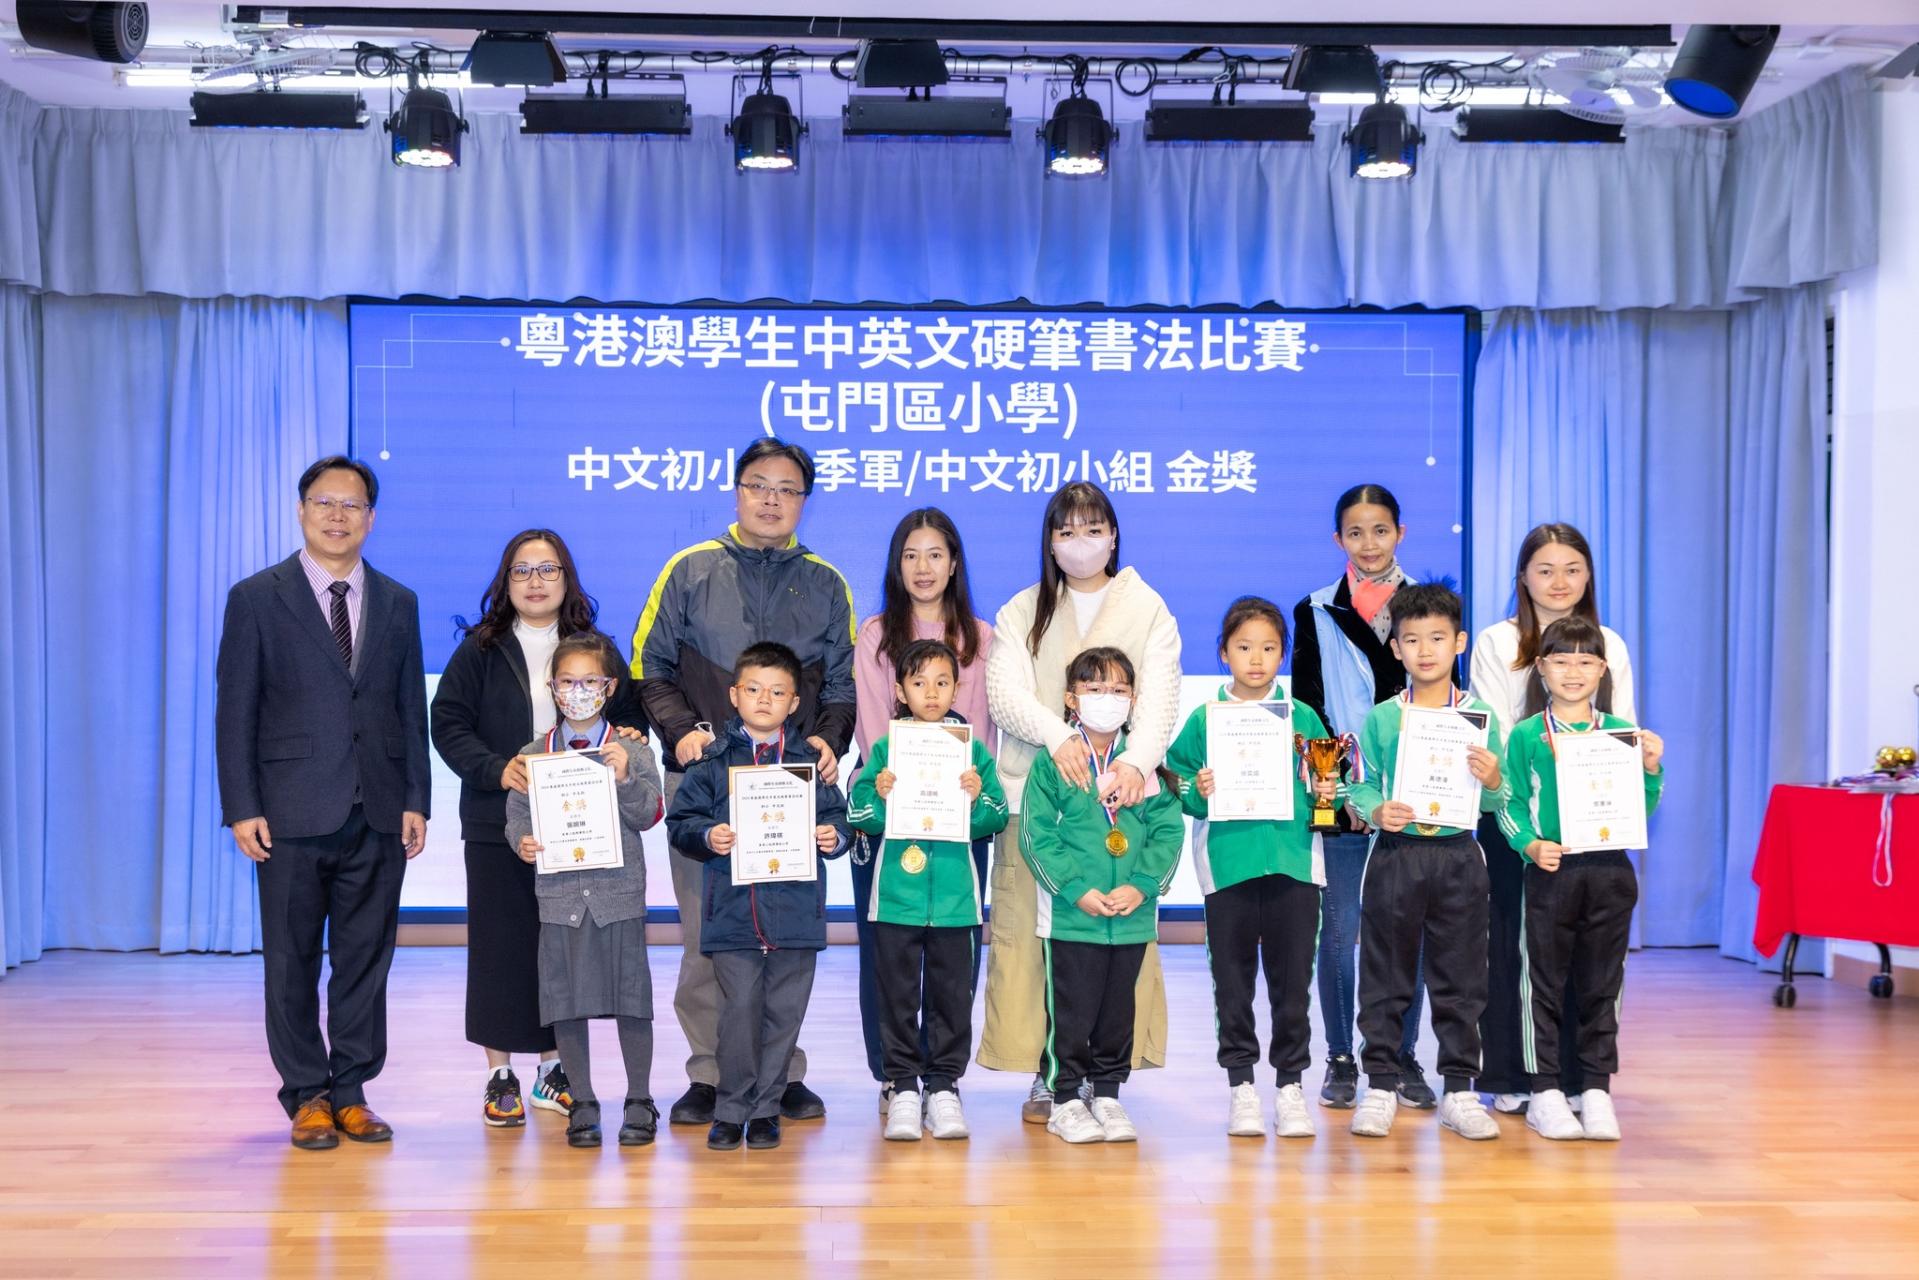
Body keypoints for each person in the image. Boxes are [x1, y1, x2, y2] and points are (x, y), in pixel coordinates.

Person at [631, 438, 856, 1128]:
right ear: (736, 490)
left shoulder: (826, 582)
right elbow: (648, 667)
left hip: (789, 789)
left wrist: (829, 739)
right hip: (707, 786)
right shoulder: (689, 569)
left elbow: (842, 683)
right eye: (758, 484)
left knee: (785, 940)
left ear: (804, 501)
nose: (771, 499)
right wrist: (680, 732)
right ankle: (710, 1074)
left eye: (787, 489)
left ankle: (780, 1076)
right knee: (709, 937)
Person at [215, 455, 429, 1150]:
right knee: (292, 959)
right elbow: (235, 710)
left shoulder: (398, 601)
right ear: (302, 510)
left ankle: (352, 1091)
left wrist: (417, 797)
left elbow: (409, 709)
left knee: (366, 959)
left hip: (378, 808)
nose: (338, 516)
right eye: (324, 503)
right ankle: (307, 1093)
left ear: (371, 517)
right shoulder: (257, 597)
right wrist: (242, 805)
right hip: (288, 812)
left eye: (352, 505)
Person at [430, 529, 650, 1128]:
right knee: (500, 949)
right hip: (500, 822)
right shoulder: (480, 649)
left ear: (566, 578)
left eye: (548, 569)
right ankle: (500, 1074)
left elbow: (629, 716)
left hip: (584, 830)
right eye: (522, 570)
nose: (535, 581)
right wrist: (494, 769)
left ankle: (556, 1070)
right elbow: (447, 723)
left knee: (560, 951)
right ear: (505, 581)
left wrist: (632, 737)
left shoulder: (595, 649)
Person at [980, 483, 1182, 1123]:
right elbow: (1004, 695)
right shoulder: (1023, 609)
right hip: (1037, 802)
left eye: (1092, 529)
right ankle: (1051, 1078)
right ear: (1049, 542)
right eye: (1065, 531)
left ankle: (1105, 1077)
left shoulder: (1148, 608)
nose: (1080, 543)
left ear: (1114, 536)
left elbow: (1161, 700)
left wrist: (1134, 762)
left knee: (1114, 948)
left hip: (1124, 799)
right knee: (1037, 948)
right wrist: (1058, 734)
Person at [1469, 522, 1638, 1115]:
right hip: (1517, 816)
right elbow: (1494, 728)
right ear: (1523, 577)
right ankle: (1515, 1077)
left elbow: (1623, 727)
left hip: (1589, 819)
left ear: (1588, 575)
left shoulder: (1609, 643)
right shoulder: (1496, 641)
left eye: (1572, 569)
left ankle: (1579, 1080)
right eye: (1545, 570)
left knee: (1587, 956)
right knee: (1513, 948)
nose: (1559, 581)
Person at [664, 642, 851, 1152]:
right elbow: (681, 823)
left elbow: (838, 817)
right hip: (732, 914)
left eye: (777, 692)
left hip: (796, 912)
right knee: (739, 1014)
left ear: (795, 703)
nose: (764, 700)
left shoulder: (810, 763)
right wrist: (708, 835)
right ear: (734, 695)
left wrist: (835, 837)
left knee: (784, 1015)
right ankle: (730, 1109)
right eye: (753, 689)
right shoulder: (711, 762)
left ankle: (766, 1109)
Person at [1164, 597, 1333, 1140]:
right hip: (1228, 867)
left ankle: (1290, 1087)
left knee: (1293, 984)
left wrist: (1326, 791)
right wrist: (1199, 790)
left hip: (1294, 865)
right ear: (1223, 653)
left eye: (1268, 648)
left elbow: (1327, 791)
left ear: (1283, 654)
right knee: (1232, 983)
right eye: (1243, 647)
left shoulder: (1302, 717)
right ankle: (1241, 1086)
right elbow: (1175, 780)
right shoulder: (1205, 719)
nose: (1256, 659)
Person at [1343, 584, 1507, 1142]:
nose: (1425, 650)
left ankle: (1459, 1090)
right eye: (1411, 640)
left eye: (1438, 638)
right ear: (1395, 649)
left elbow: (1496, 802)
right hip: (1398, 855)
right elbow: (1360, 784)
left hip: (1459, 854)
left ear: (1459, 642)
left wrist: (1492, 779)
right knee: (1385, 975)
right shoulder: (1383, 718)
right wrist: (1375, 809)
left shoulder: (1480, 717)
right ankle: (1380, 1085)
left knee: (1462, 978)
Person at [1289, 483, 1431, 1111]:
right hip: (1339, 793)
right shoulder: (1315, 609)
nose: (1368, 544)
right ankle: (1342, 1056)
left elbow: (1444, 701)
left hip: (1413, 799)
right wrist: (1342, 789)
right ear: (1337, 539)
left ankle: (1400, 1054)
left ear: (1400, 532)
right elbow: (1310, 707)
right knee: (1340, 928)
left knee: (1407, 934)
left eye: (1380, 530)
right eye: (1355, 532)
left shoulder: (1427, 604)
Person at [850, 508, 997, 1115]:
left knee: (952, 958)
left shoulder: (983, 638)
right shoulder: (875, 634)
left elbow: (985, 730)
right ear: (896, 564)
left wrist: (967, 790)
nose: (923, 567)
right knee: (886, 955)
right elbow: (871, 728)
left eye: (936, 554)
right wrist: (896, 790)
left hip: (960, 818)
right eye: (910, 555)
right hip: (890, 813)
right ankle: (895, 1078)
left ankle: (943, 1079)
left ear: (954, 562)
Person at [1497, 616, 1664, 1143]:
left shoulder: (1621, 734)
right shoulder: (1527, 735)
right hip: (1553, 872)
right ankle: (1545, 1090)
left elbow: (1640, 809)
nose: (1573, 671)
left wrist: (1651, 770)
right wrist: (1529, 845)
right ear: (1540, 667)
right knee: (1542, 984)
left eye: (1585, 661)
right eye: (1561, 660)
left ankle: (1594, 1088)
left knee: (1602, 984)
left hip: (1610, 871)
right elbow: (1509, 804)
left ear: (1602, 669)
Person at [504, 632, 666, 1149]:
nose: (578, 692)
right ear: (552, 688)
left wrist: (625, 779)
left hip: (619, 896)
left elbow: (650, 814)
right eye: (567, 682)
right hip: (561, 900)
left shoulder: (631, 750)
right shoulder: (533, 756)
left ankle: (639, 1099)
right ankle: (584, 1101)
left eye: (589, 682)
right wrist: (522, 841)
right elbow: (517, 817)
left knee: (631, 1000)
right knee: (565, 1002)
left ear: (609, 687)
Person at [1020, 647, 1184, 1145]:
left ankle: (1108, 1094)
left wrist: (1143, 886)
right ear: (1071, 698)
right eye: (1094, 689)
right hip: (1073, 916)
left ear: (1133, 700)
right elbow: (1036, 835)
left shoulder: (1144, 765)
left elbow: (1168, 831)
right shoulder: (1053, 764)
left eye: (1118, 690)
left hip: (1130, 916)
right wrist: (1075, 889)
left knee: (1118, 1013)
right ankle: (1065, 1099)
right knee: (1071, 1012)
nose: (1106, 698)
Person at [847, 638, 1009, 1142]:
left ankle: (943, 1087)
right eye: (919, 683)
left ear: (958, 689)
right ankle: (901, 1087)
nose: (932, 693)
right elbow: (859, 815)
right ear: (900, 691)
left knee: (951, 998)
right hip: (896, 899)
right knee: (896, 996)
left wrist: (975, 800)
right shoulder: (886, 750)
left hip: (957, 904)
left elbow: (997, 816)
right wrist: (879, 796)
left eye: (942, 682)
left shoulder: (972, 751)